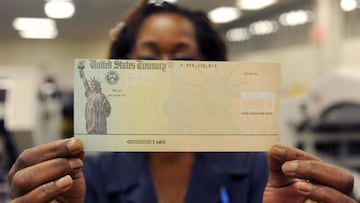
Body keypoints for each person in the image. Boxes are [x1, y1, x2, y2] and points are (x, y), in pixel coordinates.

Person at [8, 1, 356, 203]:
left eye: (181, 57)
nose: (165, 70)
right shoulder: (87, 177)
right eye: (149, 57)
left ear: (209, 70)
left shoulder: (259, 172)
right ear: (122, 69)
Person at [78, 63, 111, 134]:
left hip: (100, 119)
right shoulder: (90, 94)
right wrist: (82, 73)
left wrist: (106, 107)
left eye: (95, 85)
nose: (94, 87)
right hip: (91, 118)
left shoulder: (102, 96)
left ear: (99, 86)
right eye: (92, 85)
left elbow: (108, 108)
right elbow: (85, 84)